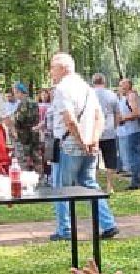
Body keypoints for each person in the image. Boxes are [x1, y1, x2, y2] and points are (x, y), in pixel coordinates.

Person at [50, 53, 118, 241]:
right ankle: (108, 223)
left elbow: (70, 120)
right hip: (89, 144)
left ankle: (64, 229)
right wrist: (94, 140)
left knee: (62, 188)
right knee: (90, 185)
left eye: (52, 68)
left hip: (69, 145)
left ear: (63, 68)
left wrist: (82, 142)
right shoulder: (87, 88)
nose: (50, 72)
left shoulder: (62, 89)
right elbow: (99, 117)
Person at [114, 77, 140, 190]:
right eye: (119, 85)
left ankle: (136, 181)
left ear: (127, 85)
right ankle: (137, 179)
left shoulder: (131, 96)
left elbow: (136, 113)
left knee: (134, 156)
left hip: (133, 131)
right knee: (135, 155)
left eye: (122, 85)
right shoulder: (125, 97)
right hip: (129, 131)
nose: (120, 87)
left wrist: (122, 118)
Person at [91, 74, 123, 182]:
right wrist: (114, 126)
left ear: (93, 82)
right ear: (104, 82)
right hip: (109, 131)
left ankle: (94, 183)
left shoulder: (89, 94)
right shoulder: (111, 95)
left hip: (93, 133)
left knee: (93, 160)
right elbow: (117, 114)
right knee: (110, 160)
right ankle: (110, 185)